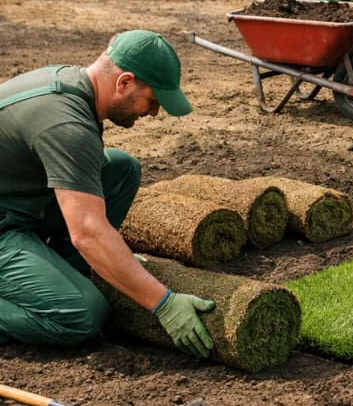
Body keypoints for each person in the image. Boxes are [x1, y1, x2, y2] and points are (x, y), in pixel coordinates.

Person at [0, 30, 215, 359]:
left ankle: (65, 268)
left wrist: (117, 261)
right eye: (153, 101)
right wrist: (163, 302)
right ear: (125, 82)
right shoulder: (67, 125)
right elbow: (87, 232)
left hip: (15, 202)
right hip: (6, 223)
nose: (154, 113)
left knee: (120, 169)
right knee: (82, 315)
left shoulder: (72, 85)